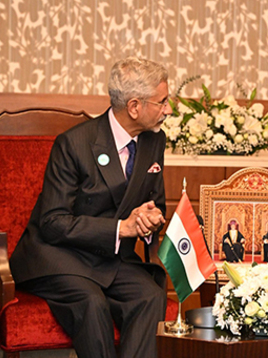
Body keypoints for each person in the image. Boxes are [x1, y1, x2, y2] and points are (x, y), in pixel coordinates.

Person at [10, 57, 173, 358]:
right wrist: (121, 227)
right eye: (162, 101)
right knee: (91, 302)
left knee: (149, 295)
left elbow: (156, 204)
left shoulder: (154, 141)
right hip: (59, 257)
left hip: (109, 260)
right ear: (134, 106)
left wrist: (151, 218)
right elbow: (52, 221)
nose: (169, 109)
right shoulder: (74, 144)